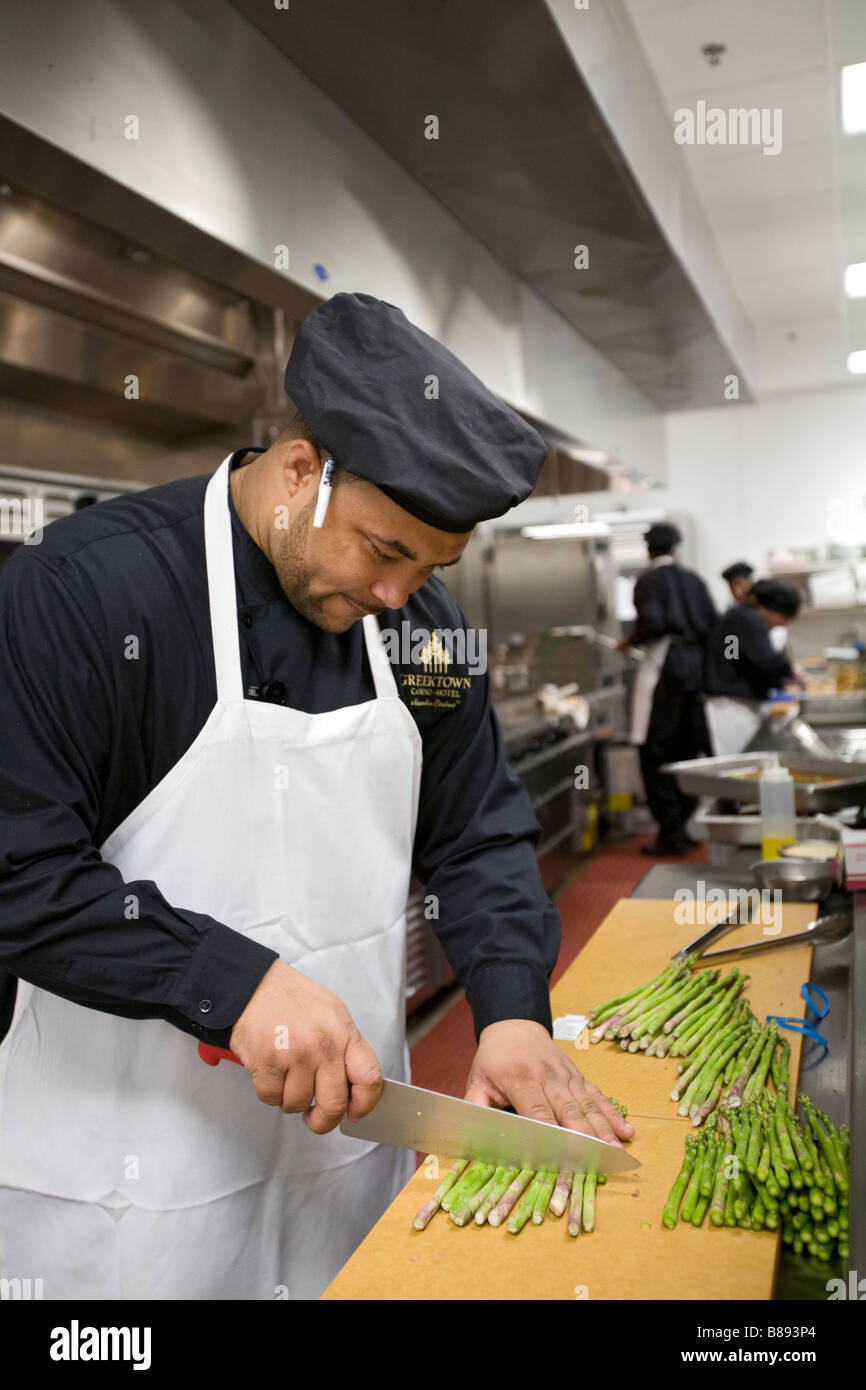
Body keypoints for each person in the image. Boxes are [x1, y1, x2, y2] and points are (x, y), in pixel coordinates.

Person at [0, 291, 632, 1301]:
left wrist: (511, 1011)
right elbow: (18, 869)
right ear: (301, 470)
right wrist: (230, 978)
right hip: (122, 1200)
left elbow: (475, 830)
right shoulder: (87, 593)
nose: (400, 594)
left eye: (432, 564)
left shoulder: (421, 630)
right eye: (384, 551)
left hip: (341, 1171)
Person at [622, 522, 717, 856]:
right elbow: (712, 627)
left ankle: (670, 833)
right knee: (688, 751)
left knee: (655, 751)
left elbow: (653, 623)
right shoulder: (694, 580)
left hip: (665, 669)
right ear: (676, 548)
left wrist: (628, 640)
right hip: (694, 672)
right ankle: (685, 827)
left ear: (649, 550)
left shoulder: (649, 580)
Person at [703, 578, 802, 754]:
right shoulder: (747, 619)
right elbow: (765, 658)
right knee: (733, 764)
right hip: (731, 705)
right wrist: (790, 669)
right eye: (784, 618)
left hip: (730, 700)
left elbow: (733, 655)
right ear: (773, 610)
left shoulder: (737, 616)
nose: (782, 624)